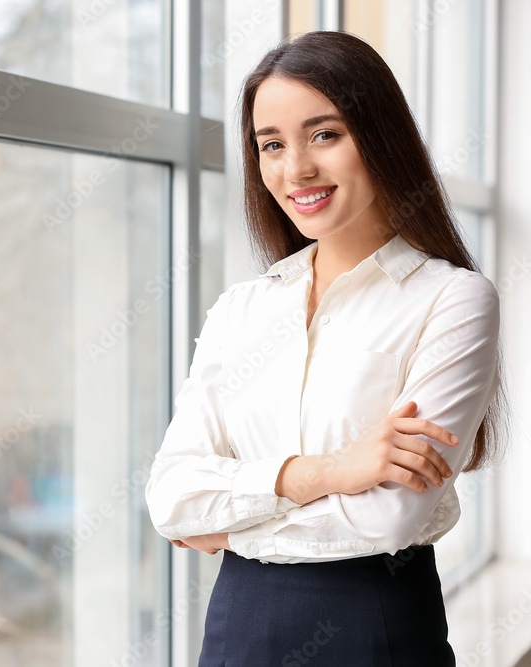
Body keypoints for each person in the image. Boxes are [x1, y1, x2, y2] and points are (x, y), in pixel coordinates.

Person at [144, 30, 510, 666]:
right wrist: (335, 472)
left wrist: (226, 525)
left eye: (324, 134)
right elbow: (171, 495)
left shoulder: (453, 300)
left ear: (380, 137)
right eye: (271, 145)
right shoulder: (242, 309)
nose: (296, 170)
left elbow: (389, 518)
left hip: (377, 630)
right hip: (237, 633)